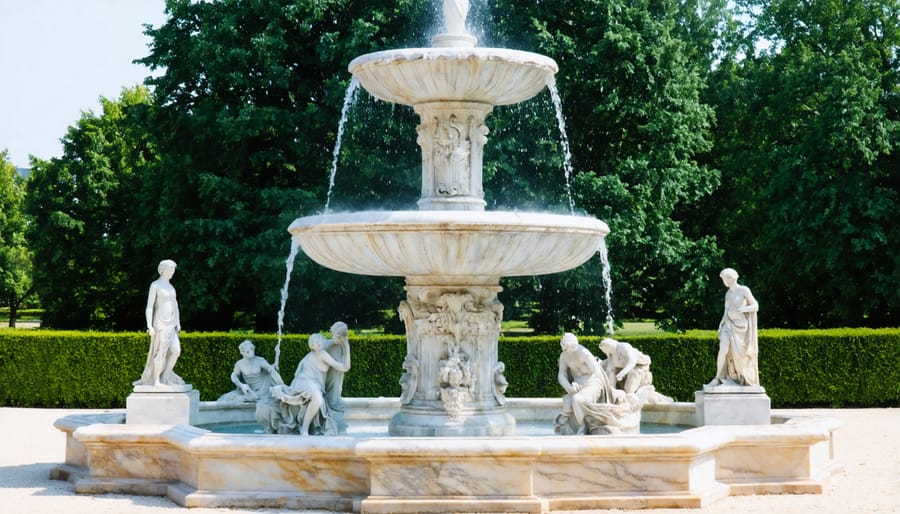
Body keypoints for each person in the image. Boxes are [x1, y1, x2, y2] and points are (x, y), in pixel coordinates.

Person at [270, 332, 351, 435]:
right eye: (315, 343)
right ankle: (304, 428)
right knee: (318, 399)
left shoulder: (317, 354)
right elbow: (344, 367)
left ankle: (305, 428)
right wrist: (345, 345)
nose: (318, 344)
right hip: (306, 382)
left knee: (318, 398)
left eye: (319, 341)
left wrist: (345, 345)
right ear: (312, 345)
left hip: (305, 383)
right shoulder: (319, 354)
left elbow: (344, 367)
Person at [134, 259, 183, 387]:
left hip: (171, 324)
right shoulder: (155, 285)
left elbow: (175, 305)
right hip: (160, 323)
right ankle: (155, 381)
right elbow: (149, 306)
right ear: (163, 270)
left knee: (176, 351)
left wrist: (178, 322)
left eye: (173, 269)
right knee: (159, 352)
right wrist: (149, 325)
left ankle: (166, 377)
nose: (172, 272)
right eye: (170, 269)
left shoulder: (171, 287)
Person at [707, 268, 760, 387]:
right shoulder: (728, 293)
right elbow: (726, 311)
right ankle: (717, 378)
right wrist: (721, 324)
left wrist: (744, 309)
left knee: (740, 356)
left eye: (724, 278)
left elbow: (755, 305)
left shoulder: (743, 290)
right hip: (728, 324)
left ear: (731, 278)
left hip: (741, 327)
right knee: (723, 348)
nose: (723, 281)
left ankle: (742, 378)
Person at [556, 332, 617, 433]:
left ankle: (583, 428)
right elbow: (561, 374)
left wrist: (583, 386)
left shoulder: (583, 352)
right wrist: (569, 387)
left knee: (578, 399)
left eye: (574, 346)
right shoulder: (564, 356)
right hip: (577, 385)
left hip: (593, 383)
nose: (573, 349)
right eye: (569, 347)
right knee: (567, 401)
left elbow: (597, 372)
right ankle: (570, 428)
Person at [217, 340, 283, 404]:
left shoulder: (260, 360)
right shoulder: (239, 364)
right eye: (248, 351)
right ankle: (245, 397)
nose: (252, 352)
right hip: (250, 390)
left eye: (252, 350)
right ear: (242, 352)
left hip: (263, 389)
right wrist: (241, 385)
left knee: (273, 375)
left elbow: (271, 369)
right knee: (252, 397)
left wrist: (277, 355)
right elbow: (234, 376)